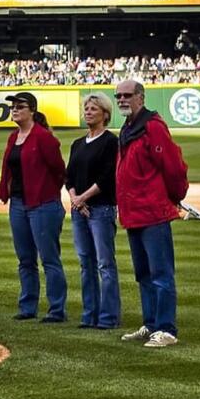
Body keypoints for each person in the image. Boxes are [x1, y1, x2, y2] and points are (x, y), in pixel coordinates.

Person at [115, 79, 189, 349]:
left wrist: (175, 197)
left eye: (127, 95)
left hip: (152, 212)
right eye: (118, 96)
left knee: (161, 274)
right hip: (134, 212)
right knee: (144, 274)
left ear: (140, 97)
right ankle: (151, 323)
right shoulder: (129, 128)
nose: (122, 100)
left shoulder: (153, 127)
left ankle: (166, 328)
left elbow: (173, 167)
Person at [0, 91, 68, 323]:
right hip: (18, 204)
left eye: (20, 106)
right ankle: (28, 307)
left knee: (49, 258)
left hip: (42, 204)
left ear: (32, 111)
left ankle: (56, 309)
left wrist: (47, 194)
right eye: (13, 107)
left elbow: (59, 170)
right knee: (25, 259)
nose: (15, 110)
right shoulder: (12, 137)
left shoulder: (44, 138)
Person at [66, 93, 121, 329]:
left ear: (105, 115)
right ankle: (90, 314)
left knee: (105, 264)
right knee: (85, 263)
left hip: (101, 208)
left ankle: (108, 317)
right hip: (80, 210)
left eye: (94, 109)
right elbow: (68, 176)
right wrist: (75, 199)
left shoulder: (111, 141)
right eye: (86, 108)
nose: (88, 112)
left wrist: (83, 198)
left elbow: (108, 176)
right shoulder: (77, 143)